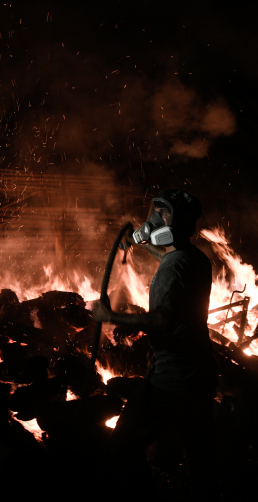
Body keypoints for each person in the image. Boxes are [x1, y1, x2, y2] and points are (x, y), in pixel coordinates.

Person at [92, 189, 219, 495]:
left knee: (123, 444)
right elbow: (169, 254)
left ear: (172, 224)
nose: (153, 220)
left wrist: (109, 316)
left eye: (162, 215)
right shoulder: (194, 258)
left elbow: (161, 321)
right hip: (200, 373)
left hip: (172, 379)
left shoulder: (173, 269)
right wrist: (138, 243)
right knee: (199, 454)